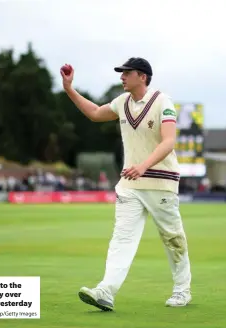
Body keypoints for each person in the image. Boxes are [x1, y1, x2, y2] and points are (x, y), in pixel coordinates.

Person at [60, 57, 192, 311]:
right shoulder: (122, 102)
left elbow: (168, 142)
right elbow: (96, 113)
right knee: (122, 239)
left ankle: (182, 291)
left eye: (126, 73)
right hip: (129, 185)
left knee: (173, 238)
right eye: (121, 73)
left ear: (142, 76)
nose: (121, 77)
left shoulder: (163, 101)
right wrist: (69, 89)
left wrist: (144, 165)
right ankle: (106, 292)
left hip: (161, 182)